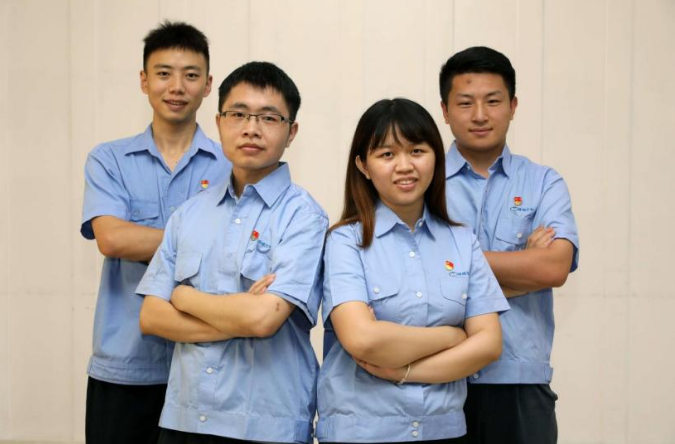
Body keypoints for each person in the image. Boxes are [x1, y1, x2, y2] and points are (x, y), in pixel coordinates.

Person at [137, 61, 328, 444]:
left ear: (291, 132)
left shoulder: (303, 216)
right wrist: (236, 316)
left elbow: (262, 319)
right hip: (185, 418)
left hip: (265, 423)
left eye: (269, 118)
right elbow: (152, 317)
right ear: (219, 122)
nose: (251, 128)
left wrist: (184, 297)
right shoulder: (189, 214)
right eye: (238, 114)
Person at [316, 98, 509, 443]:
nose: (404, 166)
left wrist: (403, 371)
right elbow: (363, 339)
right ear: (363, 165)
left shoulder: (462, 241)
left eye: (417, 151)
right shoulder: (345, 241)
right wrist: (453, 337)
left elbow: (489, 344)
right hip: (362, 433)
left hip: (442, 429)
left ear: (436, 158)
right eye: (387, 154)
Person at [80, 21, 230, 443]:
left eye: (191, 75)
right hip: (124, 365)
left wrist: (148, 240)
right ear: (144, 81)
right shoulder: (109, 159)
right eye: (164, 73)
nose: (177, 86)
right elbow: (112, 239)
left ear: (208, 85)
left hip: (209, 367)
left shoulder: (231, 166)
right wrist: (202, 241)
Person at [439, 46, 580, 444]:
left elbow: (554, 268)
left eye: (493, 101)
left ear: (513, 106)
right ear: (445, 111)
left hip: (519, 383)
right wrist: (522, 264)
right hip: (437, 379)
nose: (480, 115)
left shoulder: (543, 182)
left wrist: (451, 266)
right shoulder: (421, 181)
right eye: (465, 103)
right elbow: (411, 274)